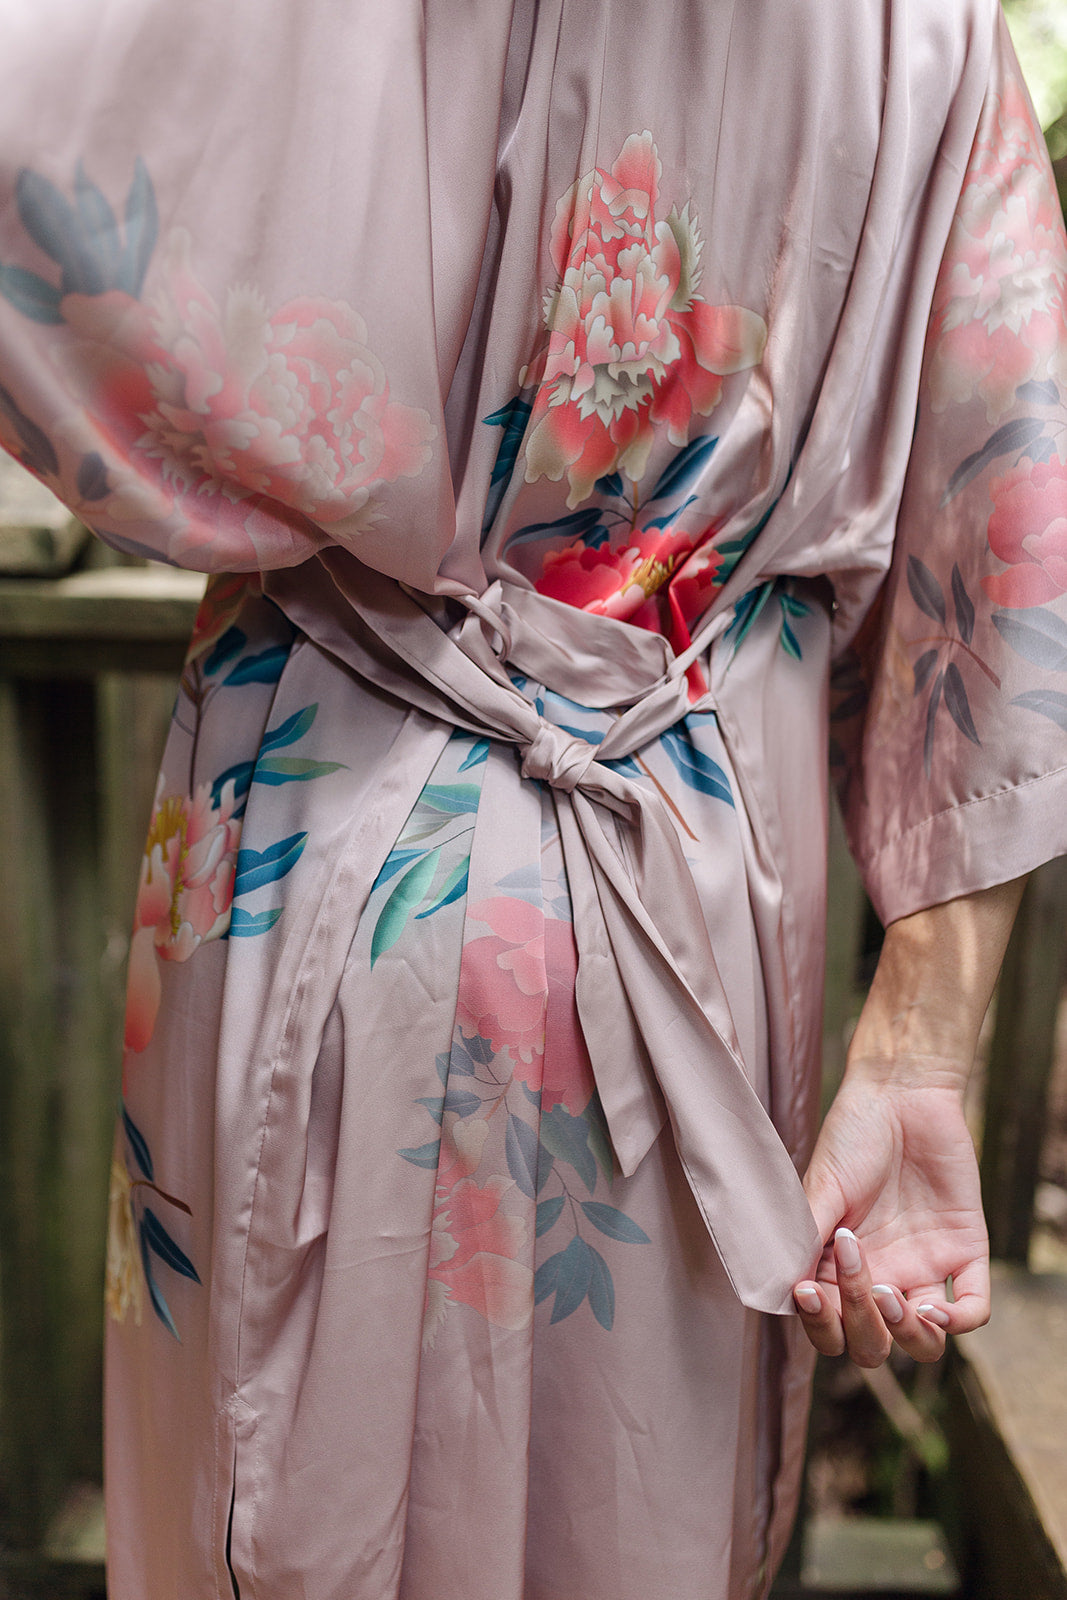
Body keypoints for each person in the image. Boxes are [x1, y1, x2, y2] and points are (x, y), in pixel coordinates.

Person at [0, 1, 1065, 1595]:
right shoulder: (918, 29)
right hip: (691, 865)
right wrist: (919, 1037)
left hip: (320, 818)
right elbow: (1010, 519)